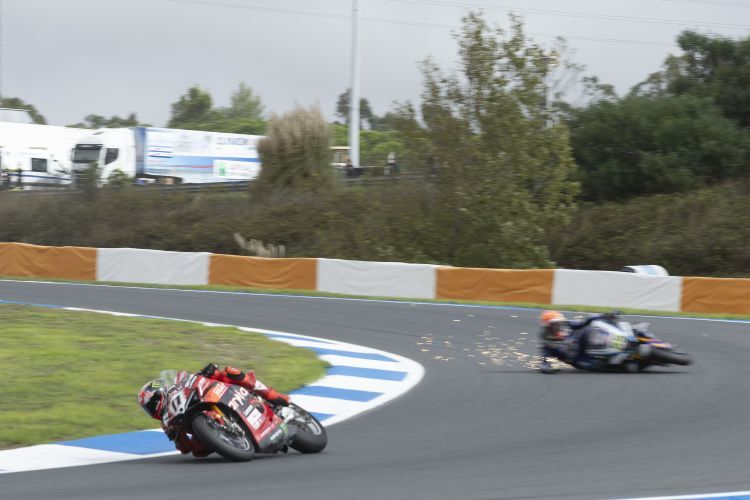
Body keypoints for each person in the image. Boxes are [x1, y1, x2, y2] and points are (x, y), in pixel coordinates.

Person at [138, 363, 290, 457]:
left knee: (229, 372)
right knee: (198, 452)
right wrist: (176, 437)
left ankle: (272, 395)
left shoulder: (180, 386)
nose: (152, 410)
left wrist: (208, 372)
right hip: (209, 427)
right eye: (149, 409)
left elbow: (190, 378)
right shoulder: (167, 423)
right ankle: (230, 438)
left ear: (160, 392)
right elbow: (185, 449)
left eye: (152, 404)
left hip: (216, 393)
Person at [538, 310, 621, 371]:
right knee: (600, 366)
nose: (559, 325)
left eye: (559, 322)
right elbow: (544, 362)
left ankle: (615, 330)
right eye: (556, 324)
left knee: (591, 327)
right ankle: (617, 362)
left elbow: (584, 322)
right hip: (577, 358)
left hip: (584, 341)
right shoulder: (547, 343)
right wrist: (546, 367)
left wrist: (604, 315)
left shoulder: (566, 325)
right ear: (549, 326)